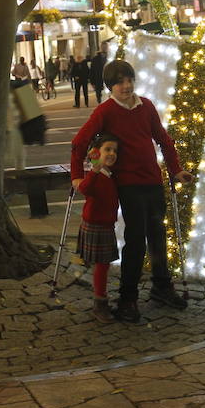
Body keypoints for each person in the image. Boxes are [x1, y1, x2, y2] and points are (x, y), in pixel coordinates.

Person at [71, 60, 194, 322]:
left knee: (158, 236)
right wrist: (77, 177)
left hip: (153, 181)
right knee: (136, 241)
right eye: (119, 82)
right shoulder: (105, 112)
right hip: (128, 185)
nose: (126, 86)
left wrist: (176, 170)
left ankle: (162, 286)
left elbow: (163, 138)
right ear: (110, 87)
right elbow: (79, 143)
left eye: (129, 80)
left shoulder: (146, 106)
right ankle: (128, 299)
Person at [75, 133, 121, 323]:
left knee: (103, 265)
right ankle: (99, 302)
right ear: (97, 152)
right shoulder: (97, 174)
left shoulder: (110, 173)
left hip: (106, 224)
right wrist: (94, 168)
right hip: (96, 224)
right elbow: (85, 189)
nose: (111, 153)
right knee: (102, 266)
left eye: (114, 150)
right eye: (107, 149)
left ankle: (100, 298)